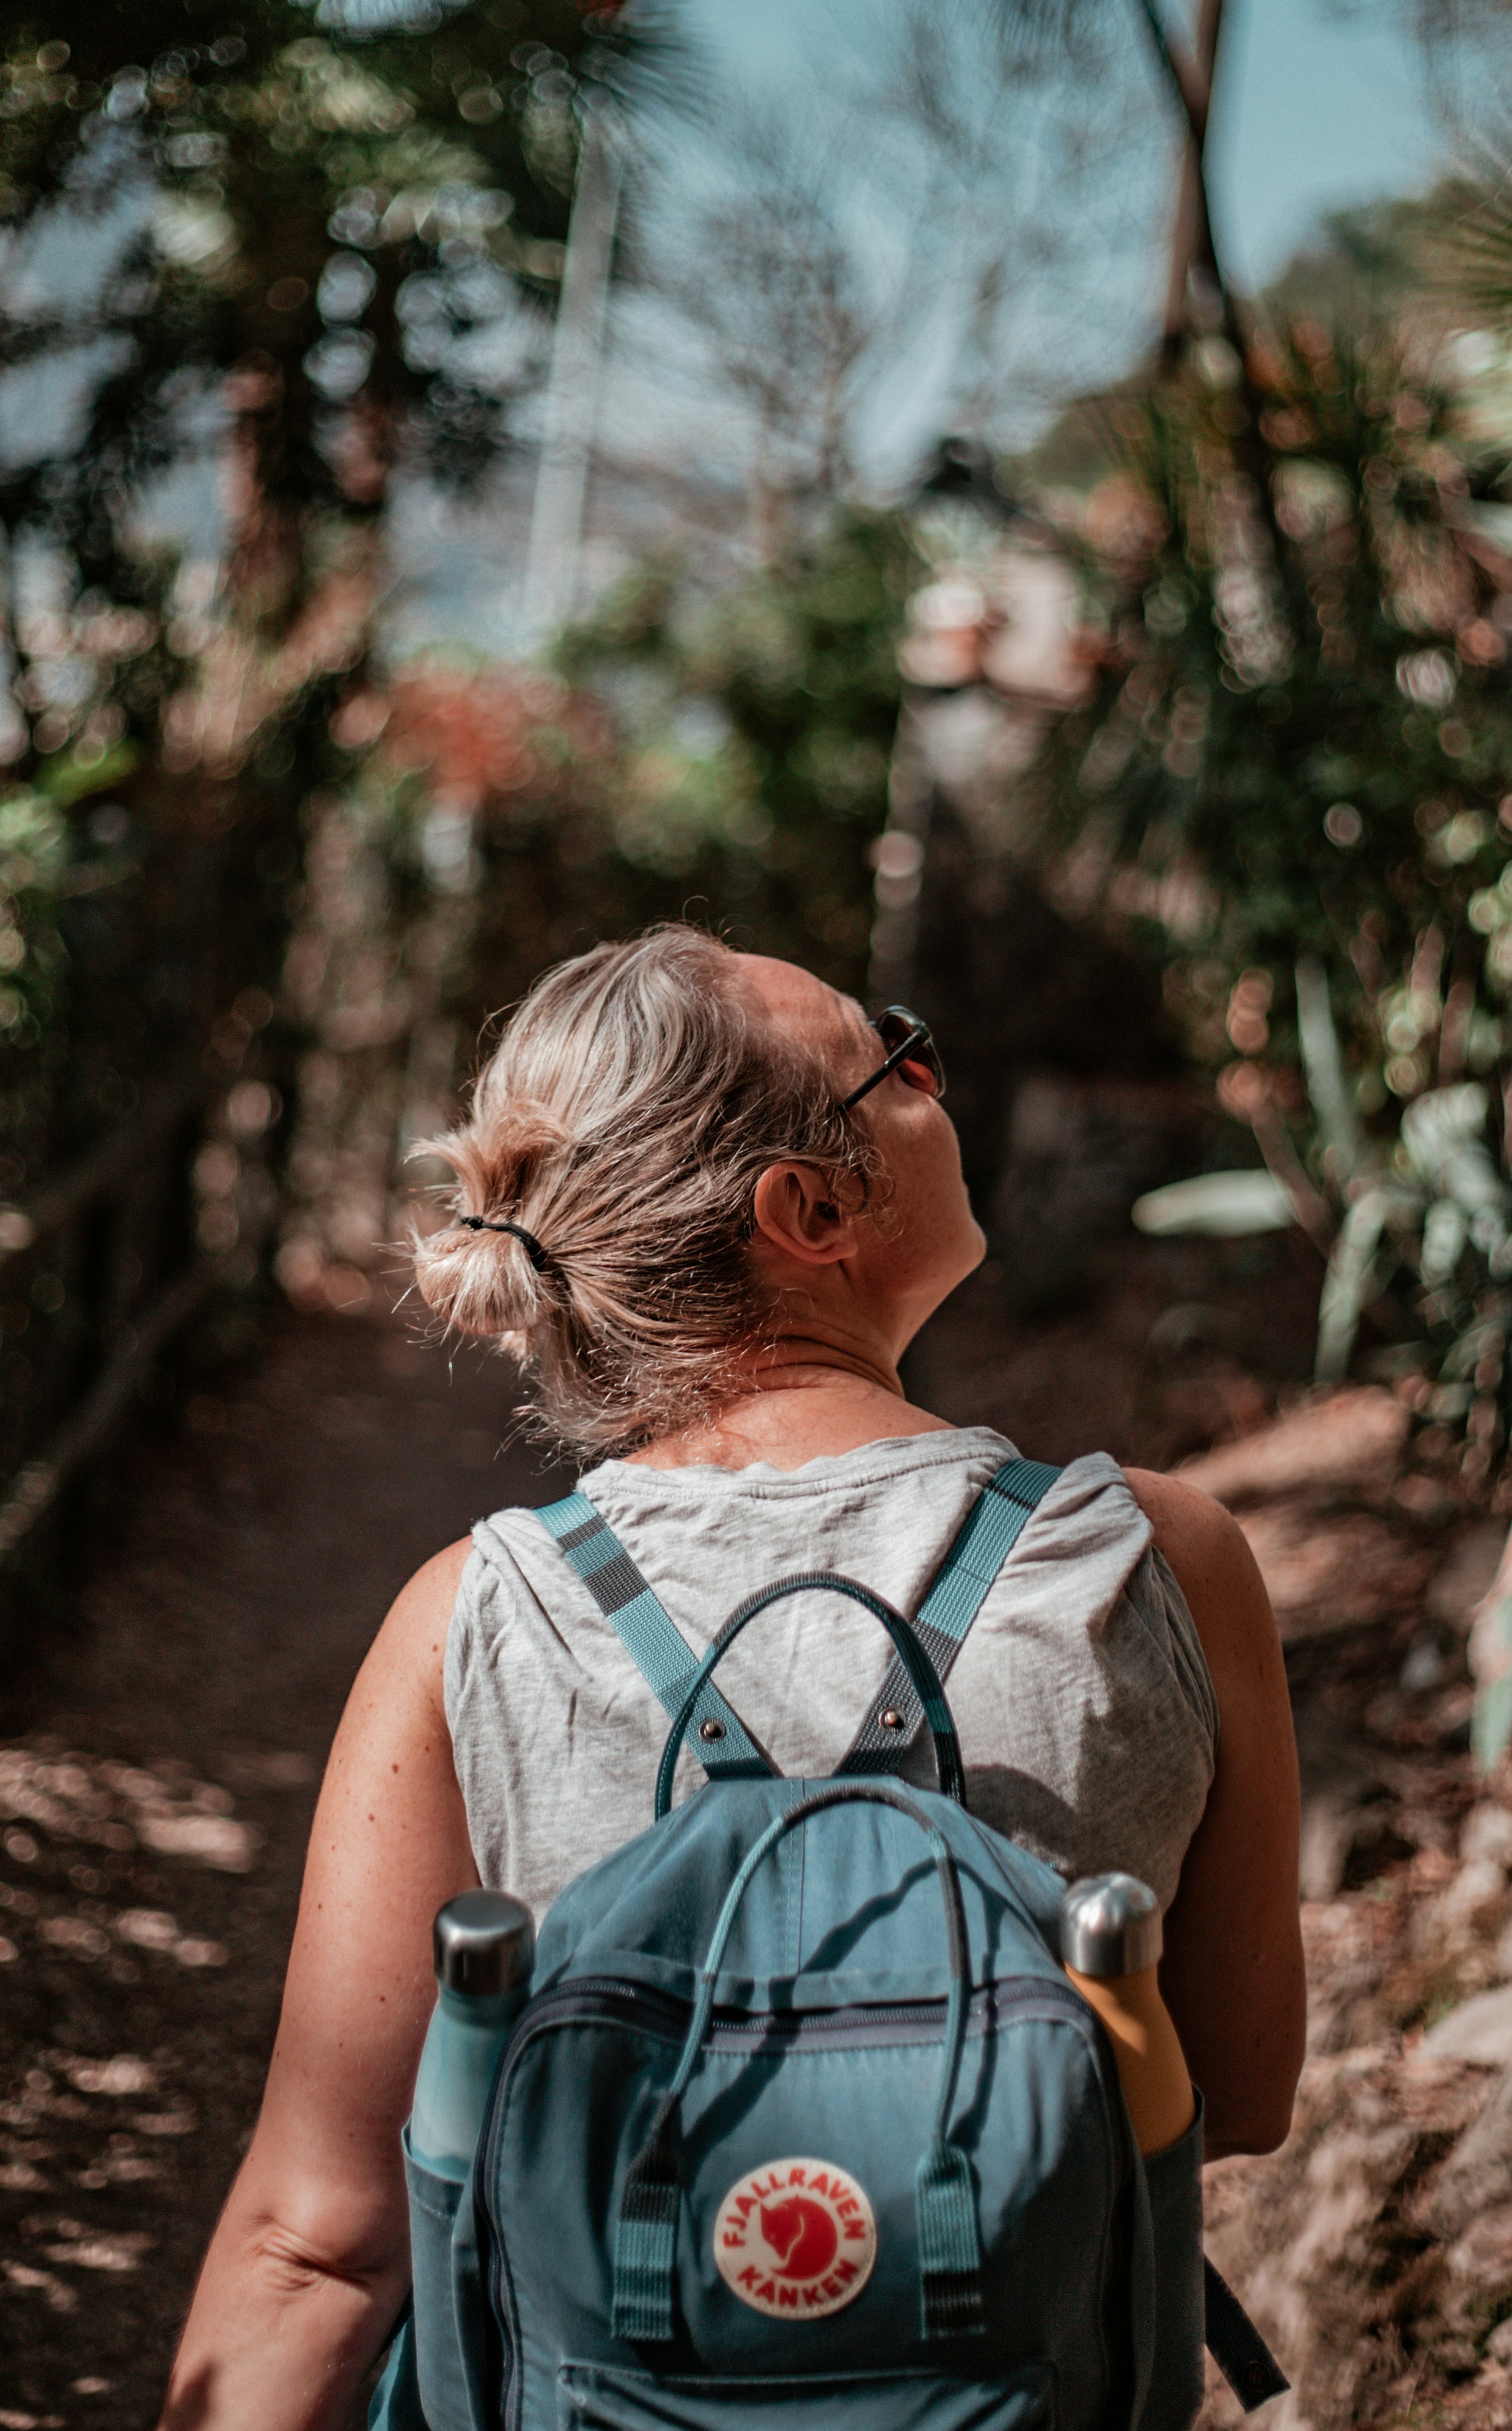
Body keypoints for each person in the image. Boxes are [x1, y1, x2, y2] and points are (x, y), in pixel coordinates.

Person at [160, 926, 1304, 2431]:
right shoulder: (1153, 1558)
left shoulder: (477, 1619)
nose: (933, 1075)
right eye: (897, 1054)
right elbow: (1231, 2082)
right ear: (808, 1207)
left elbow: (318, 2240)